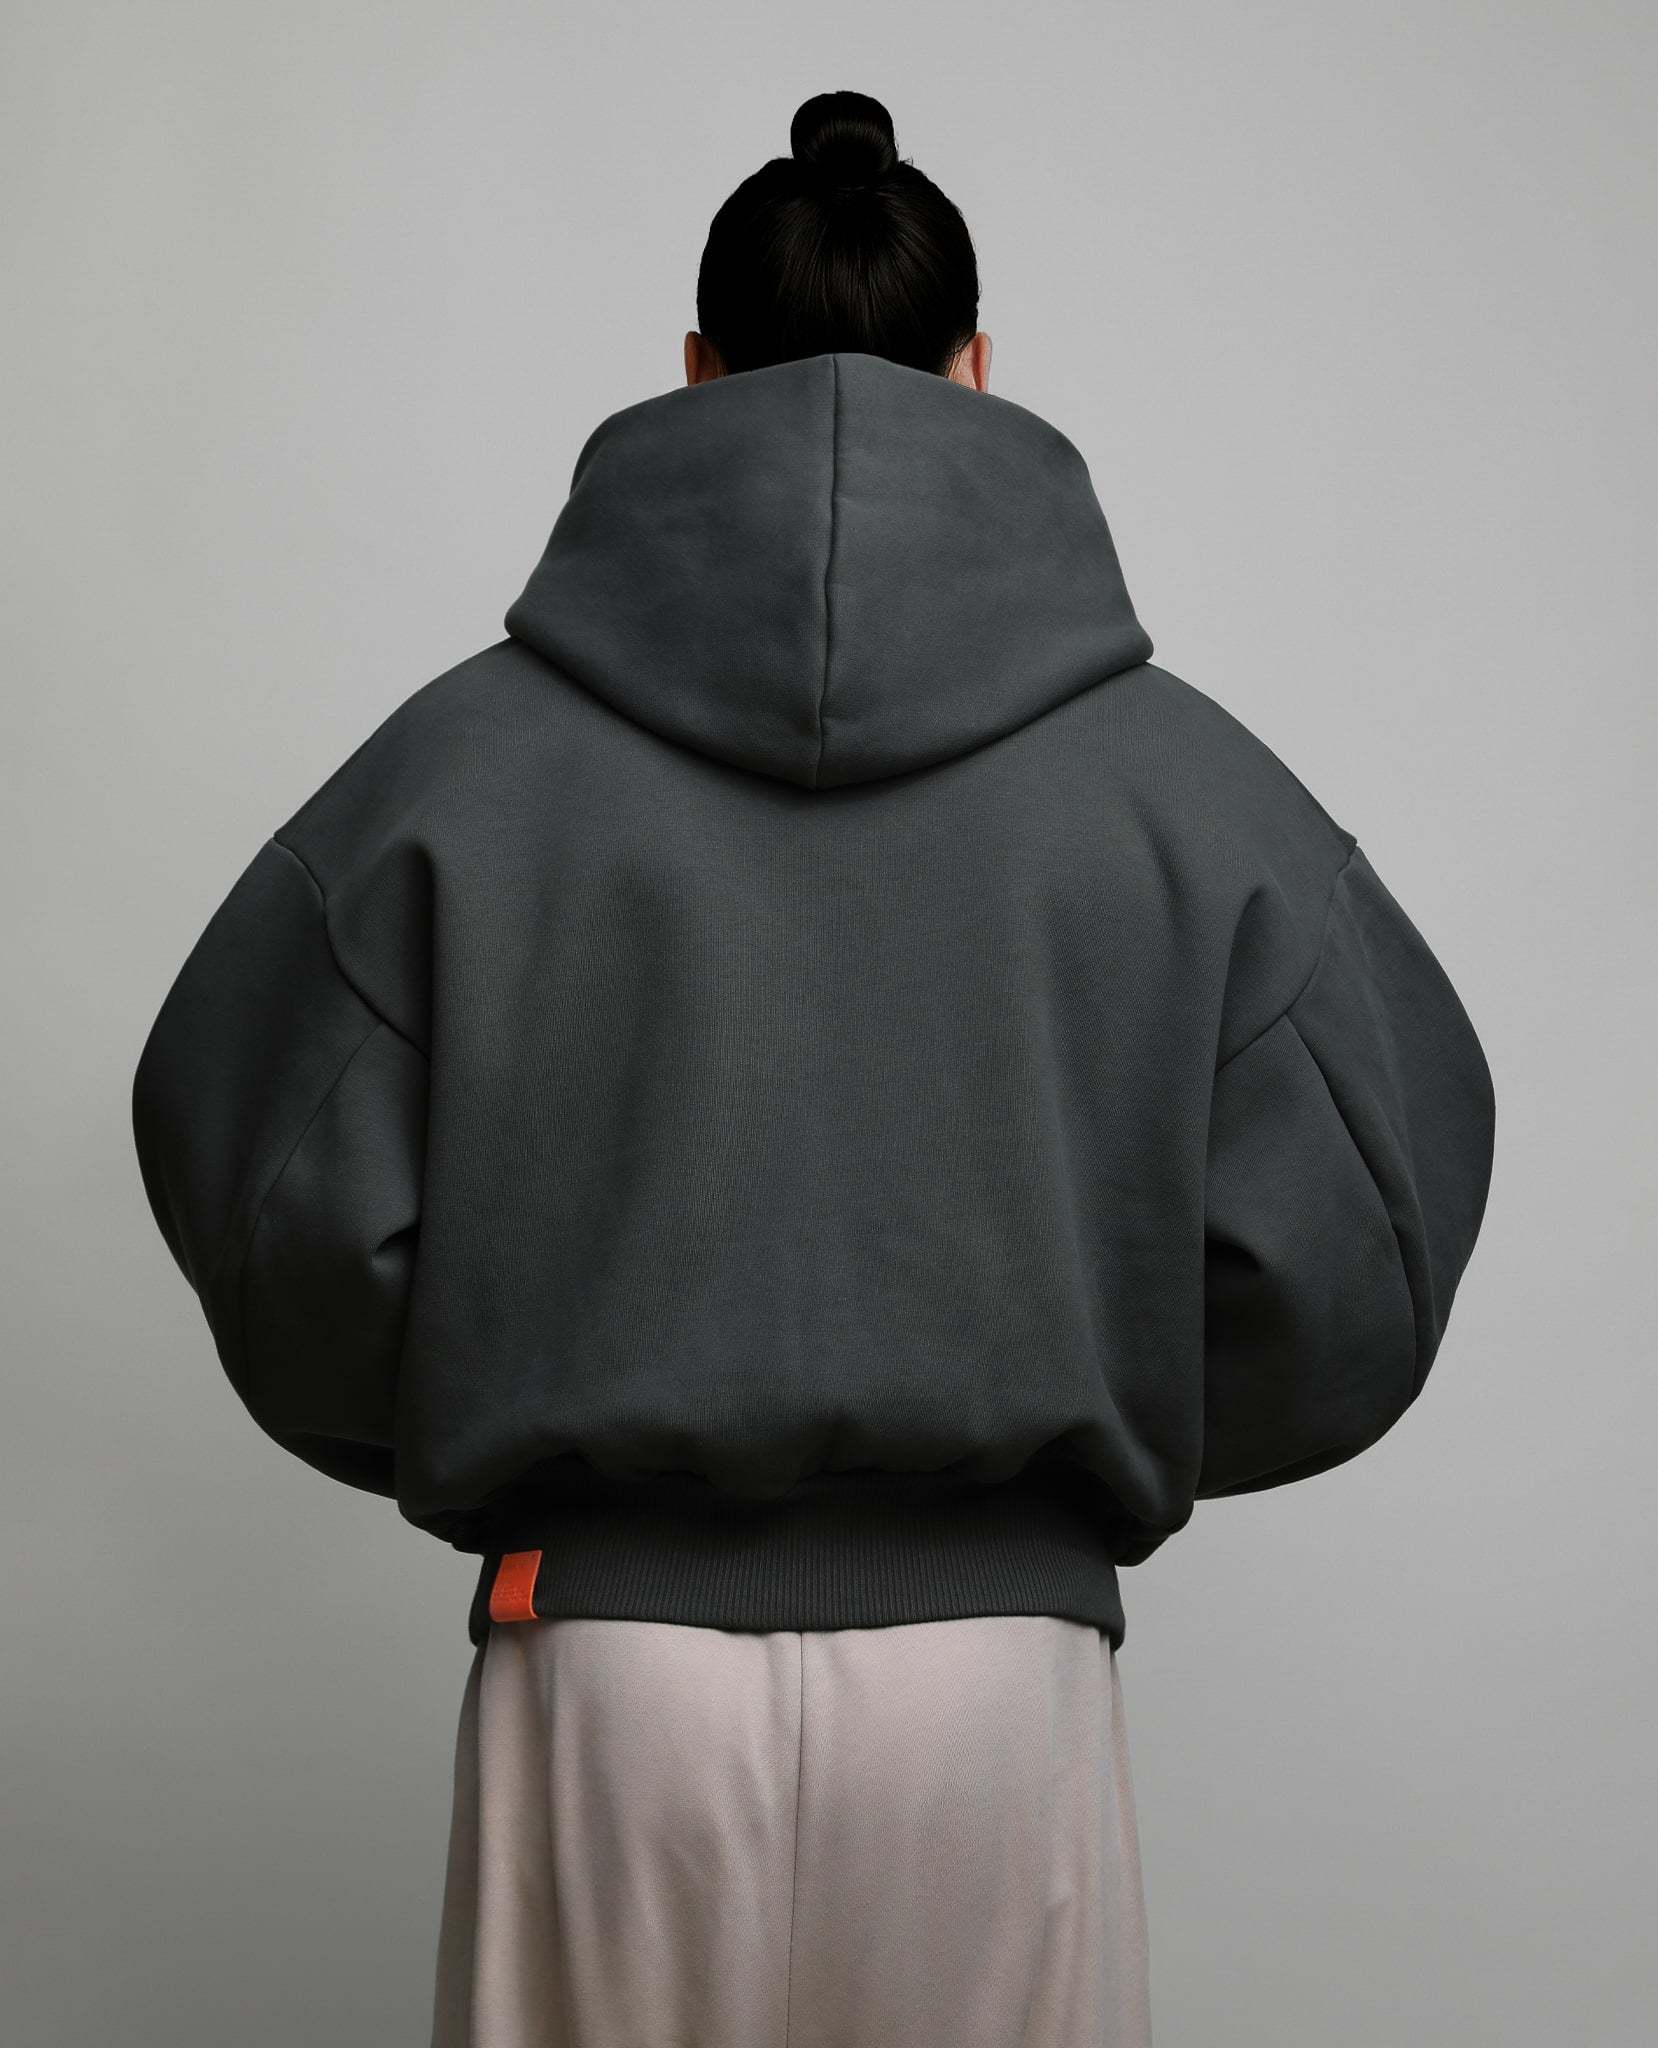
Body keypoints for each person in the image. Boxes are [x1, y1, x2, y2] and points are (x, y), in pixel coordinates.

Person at [130, 88, 1496, 2048]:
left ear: (693, 376)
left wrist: (500, 1384)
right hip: (998, 1689)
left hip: (604, 1672)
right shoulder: (1191, 791)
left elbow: (267, 1192)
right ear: (978, 373)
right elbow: (1360, 1242)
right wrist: (1101, 1382)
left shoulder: (451, 774)